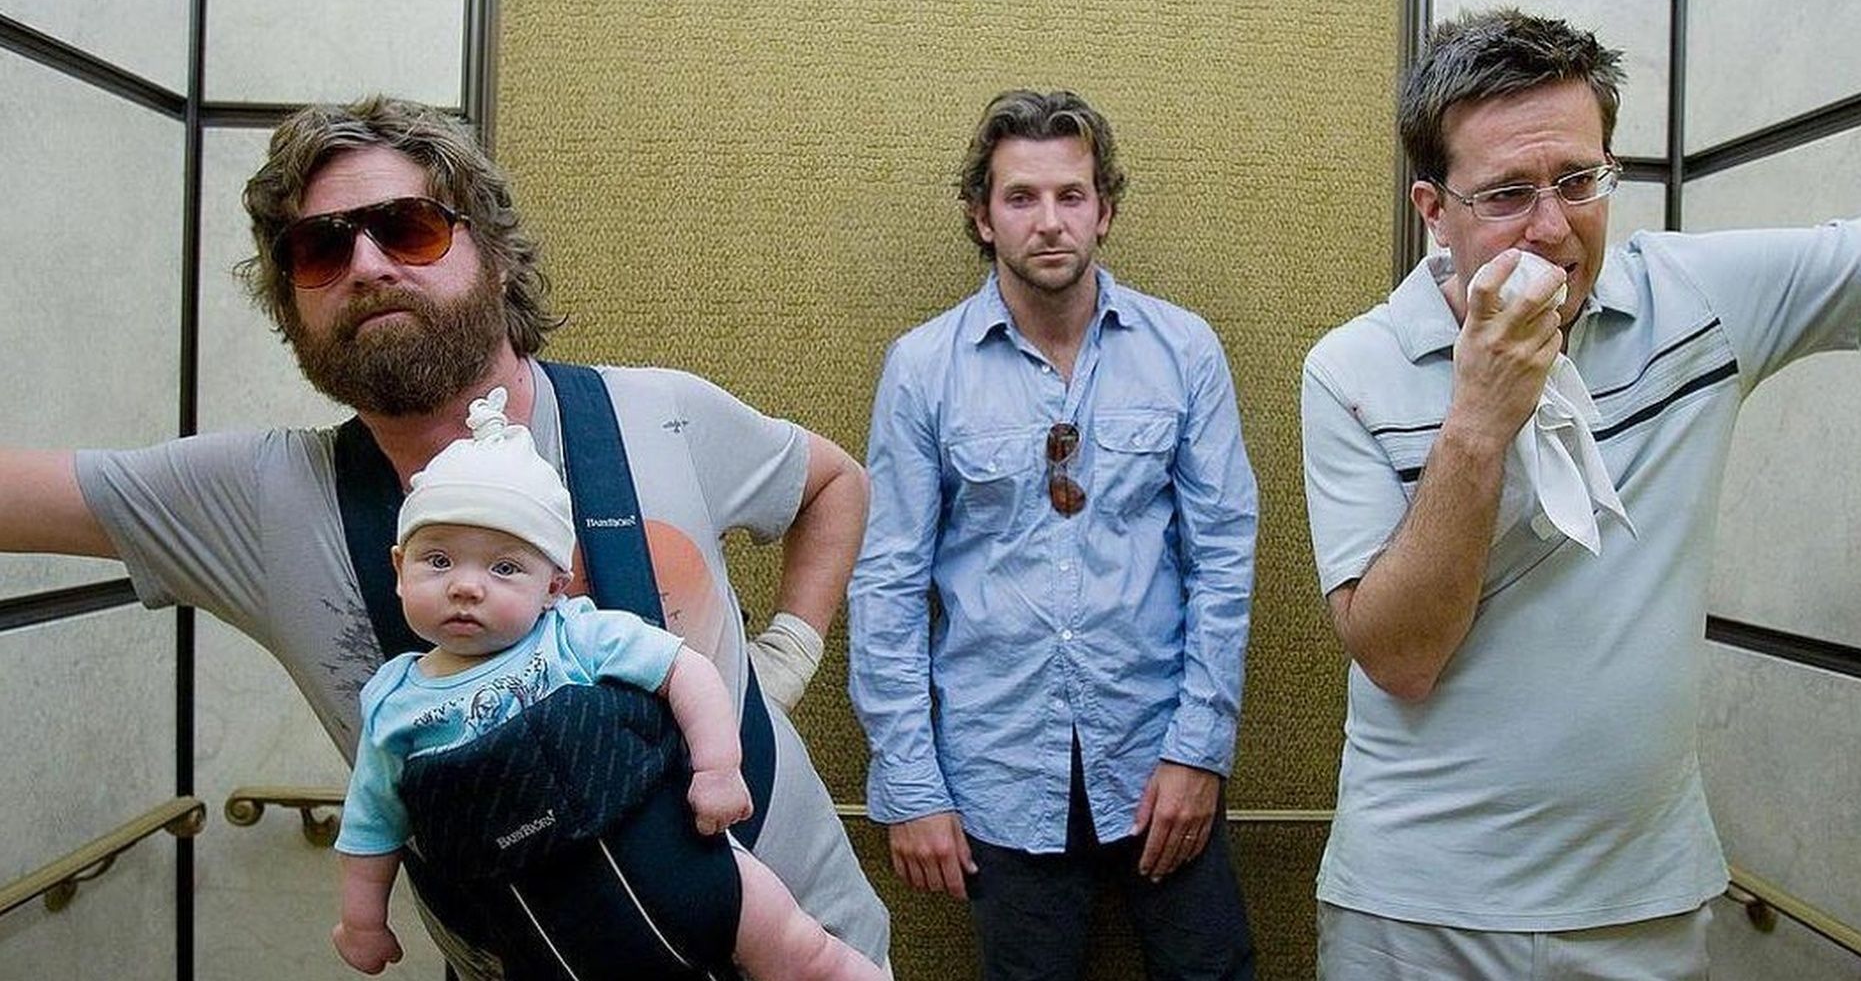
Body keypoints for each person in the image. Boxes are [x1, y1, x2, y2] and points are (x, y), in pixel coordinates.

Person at [0, 96, 888, 977]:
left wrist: (786, 656)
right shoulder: (260, 498)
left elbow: (834, 483)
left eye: (409, 228)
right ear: (290, 299)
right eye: (321, 248)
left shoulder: (659, 413)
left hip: (811, 941)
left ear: (494, 256)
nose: (368, 264)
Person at [1301, 8, 1861, 980]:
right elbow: (1399, 655)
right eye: (1505, 192)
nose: (1552, 227)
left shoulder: (1693, 301)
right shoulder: (1350, 370)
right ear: (1432, 208)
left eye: (1578, 181)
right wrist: (1476, 419)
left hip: (1642, 903)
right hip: (1416, 909)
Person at [848, 89, 1259, 979]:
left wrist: (1200, 748)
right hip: (997, 767)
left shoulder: (1184, 351)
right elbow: (887, 581)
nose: (1048, 222)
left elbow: (1223, 559)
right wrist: (910, 785)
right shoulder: (924, 368)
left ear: (1105, 209)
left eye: (1071, 196)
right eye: (1020, 198)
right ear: (982, 217)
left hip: (1159, 754)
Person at [331, 388, 883, 981]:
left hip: (684, 864)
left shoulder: (577, 635)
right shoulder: (395, 703)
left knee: (803, 953)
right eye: (438, 561)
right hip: (550, 919)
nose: (467, 586)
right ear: (398, 568)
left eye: (504, 567)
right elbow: (372, 823)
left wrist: (719, 769)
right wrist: (362, 918)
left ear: (553, 585)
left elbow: (684, 671)